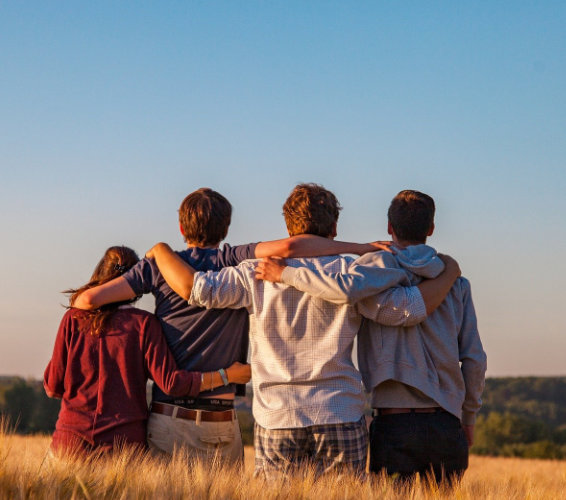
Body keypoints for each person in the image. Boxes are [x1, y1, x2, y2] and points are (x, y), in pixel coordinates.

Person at [145, 183, 461, 478]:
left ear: (288, 227)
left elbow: (197, 289)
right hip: (339, 411)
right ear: (334, 228)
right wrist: (448, 274)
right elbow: (406, 311)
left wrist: (161, 251)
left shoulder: (254, 273)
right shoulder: (353, 273)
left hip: (277, 416)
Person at [71, 187, 393, 465]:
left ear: (181, 227)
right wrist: (360, 248)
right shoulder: (234, 259)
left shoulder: (157, 267)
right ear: (226, 228)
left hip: (169, 415)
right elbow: (291, 248)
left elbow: (86, 302)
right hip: (222, 418)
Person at [257, 190, 487, 484]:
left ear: (389, 227)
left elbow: (341, 289)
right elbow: (474, 359)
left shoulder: (370, 273)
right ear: (430, 229)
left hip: (393, 423)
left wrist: (286, 274)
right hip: (447, 423)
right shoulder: (456, 283)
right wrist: (468, 417)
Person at [44, 245, 251, 456]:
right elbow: (171, 383)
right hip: (124, 448)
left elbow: (53, 387)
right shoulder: (144, 324)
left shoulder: (73, 319)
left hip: (69, 444)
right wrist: (227, 375)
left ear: (100, 273)